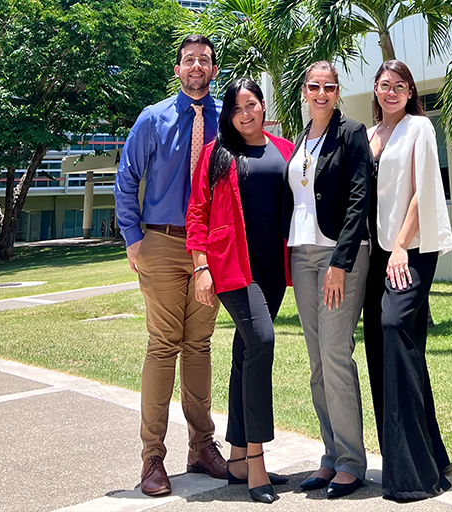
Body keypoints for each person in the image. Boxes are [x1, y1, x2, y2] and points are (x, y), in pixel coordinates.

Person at [113, 34, 227, 497]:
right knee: (163, 346)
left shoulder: (228, 117)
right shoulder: (152, 118)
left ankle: (202, 446)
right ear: (178, 69)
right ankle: (152, 459)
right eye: (189, 60)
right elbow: (126, 178)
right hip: (162, 242)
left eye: (204, 60)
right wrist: (134, 238)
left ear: (213, 70)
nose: (197, 66)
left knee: (199, 346)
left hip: (210, 251)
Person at [186, 78, 294, 504]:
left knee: (246, 352)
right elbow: (197, 211)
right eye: (236, 108)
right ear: (228, 115)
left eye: (251, 104)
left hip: (273, 266)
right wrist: (201, 267)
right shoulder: (216, 155)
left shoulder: (284, 149)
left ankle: (233, 458)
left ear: (263, 105)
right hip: (234, 266)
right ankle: (256, 463)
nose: (245, 113)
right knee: (263, 342)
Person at [363, 59, 452, 501]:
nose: (391, 91)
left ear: (410, 90)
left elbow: (423, 190)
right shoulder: (369, 136)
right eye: (385, 85)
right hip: (378, 253)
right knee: (392, 349)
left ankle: (415, 474)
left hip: (414, 250)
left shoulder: (420, 127)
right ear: (376, 90)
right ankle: (431, 454)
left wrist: (401, 245)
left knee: (394, 328)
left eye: (400, 85)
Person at [284, 61, 372, 499]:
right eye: (314, 86)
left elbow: (360, 196)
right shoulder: (301, 140)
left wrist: (341, 260)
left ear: (338, 93)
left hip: (341, 255)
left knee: (336, 353)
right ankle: (331, 455)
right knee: (317, 360)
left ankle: (353, 462)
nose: (321, 93)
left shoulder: (351, 133)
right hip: (301, 256)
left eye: (329, 87)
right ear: (304, 91)